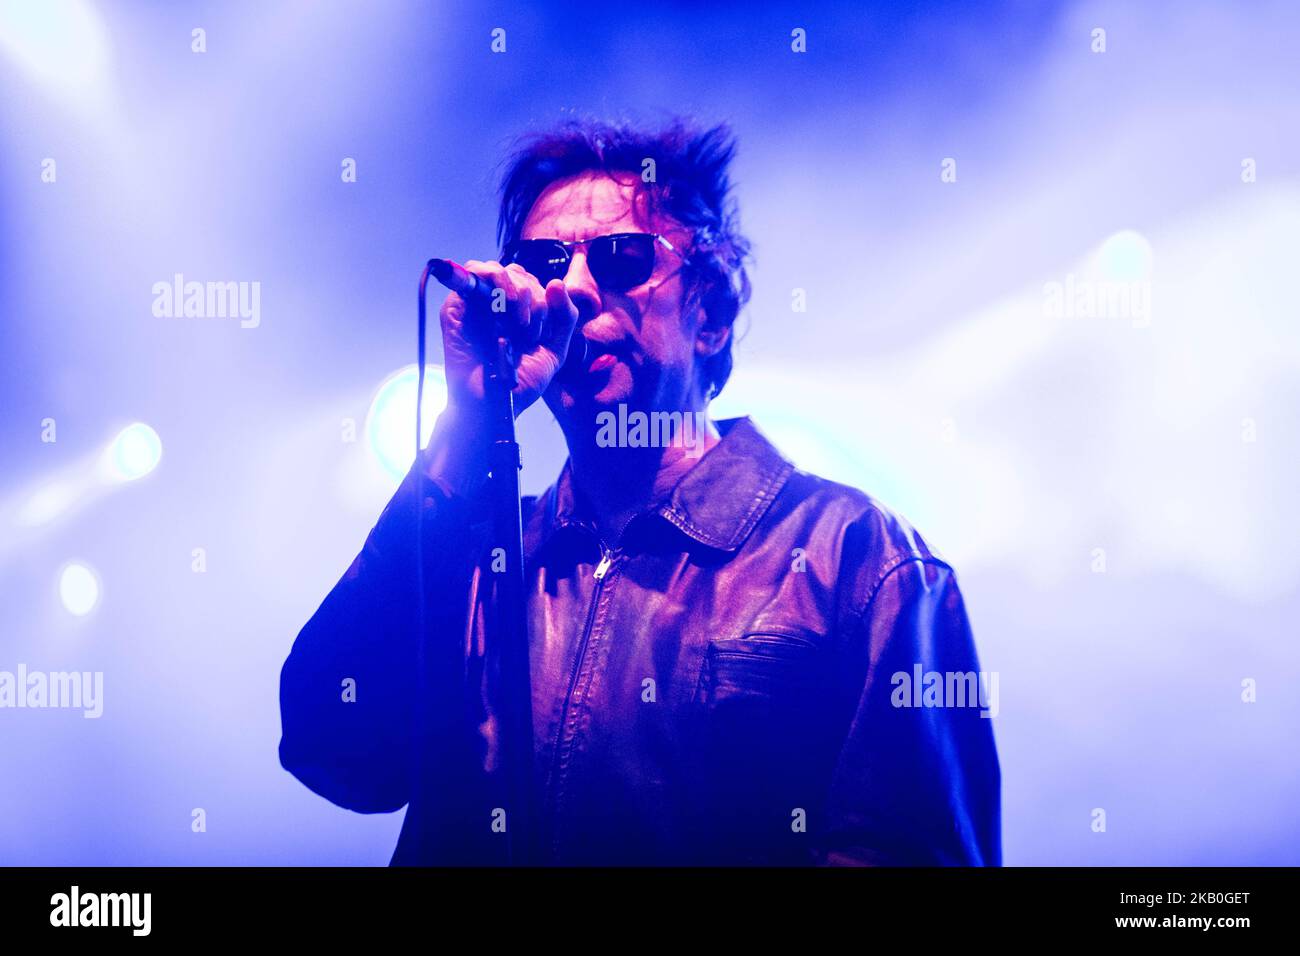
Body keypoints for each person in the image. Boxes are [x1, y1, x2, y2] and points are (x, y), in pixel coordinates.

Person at [278, 118, 1001, 865]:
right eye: (545, 263)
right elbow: (331, 747)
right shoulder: (482, 554)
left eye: (623, 259)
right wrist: (465, 426)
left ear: (711, 315)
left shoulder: (853, 558)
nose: (578, 290)